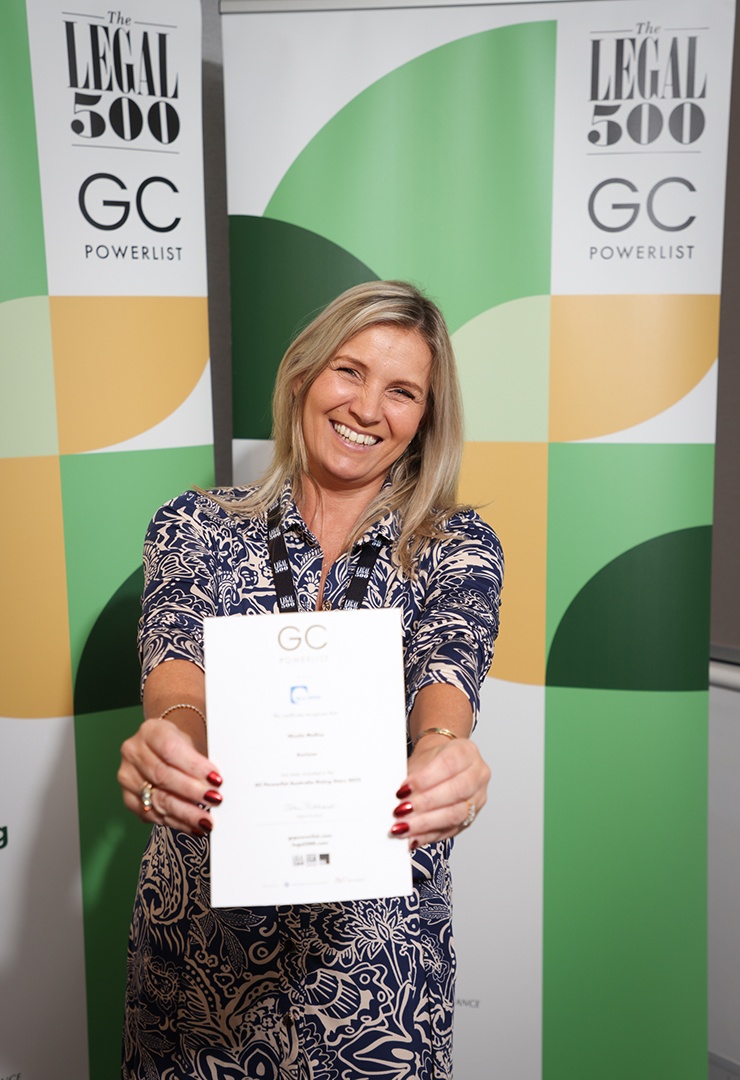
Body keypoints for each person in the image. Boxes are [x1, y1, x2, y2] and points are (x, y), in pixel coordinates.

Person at [118, 280, 504, 1080]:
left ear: (425, 419)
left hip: (375, 965)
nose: (367, 408)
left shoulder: (455, 544)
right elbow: (176, 669)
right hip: (201, 952)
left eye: (402, 391)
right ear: (302, 376)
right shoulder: (197, 525)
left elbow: (448, 667)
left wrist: (443, 747)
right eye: (348, 371)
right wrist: (172, 742)